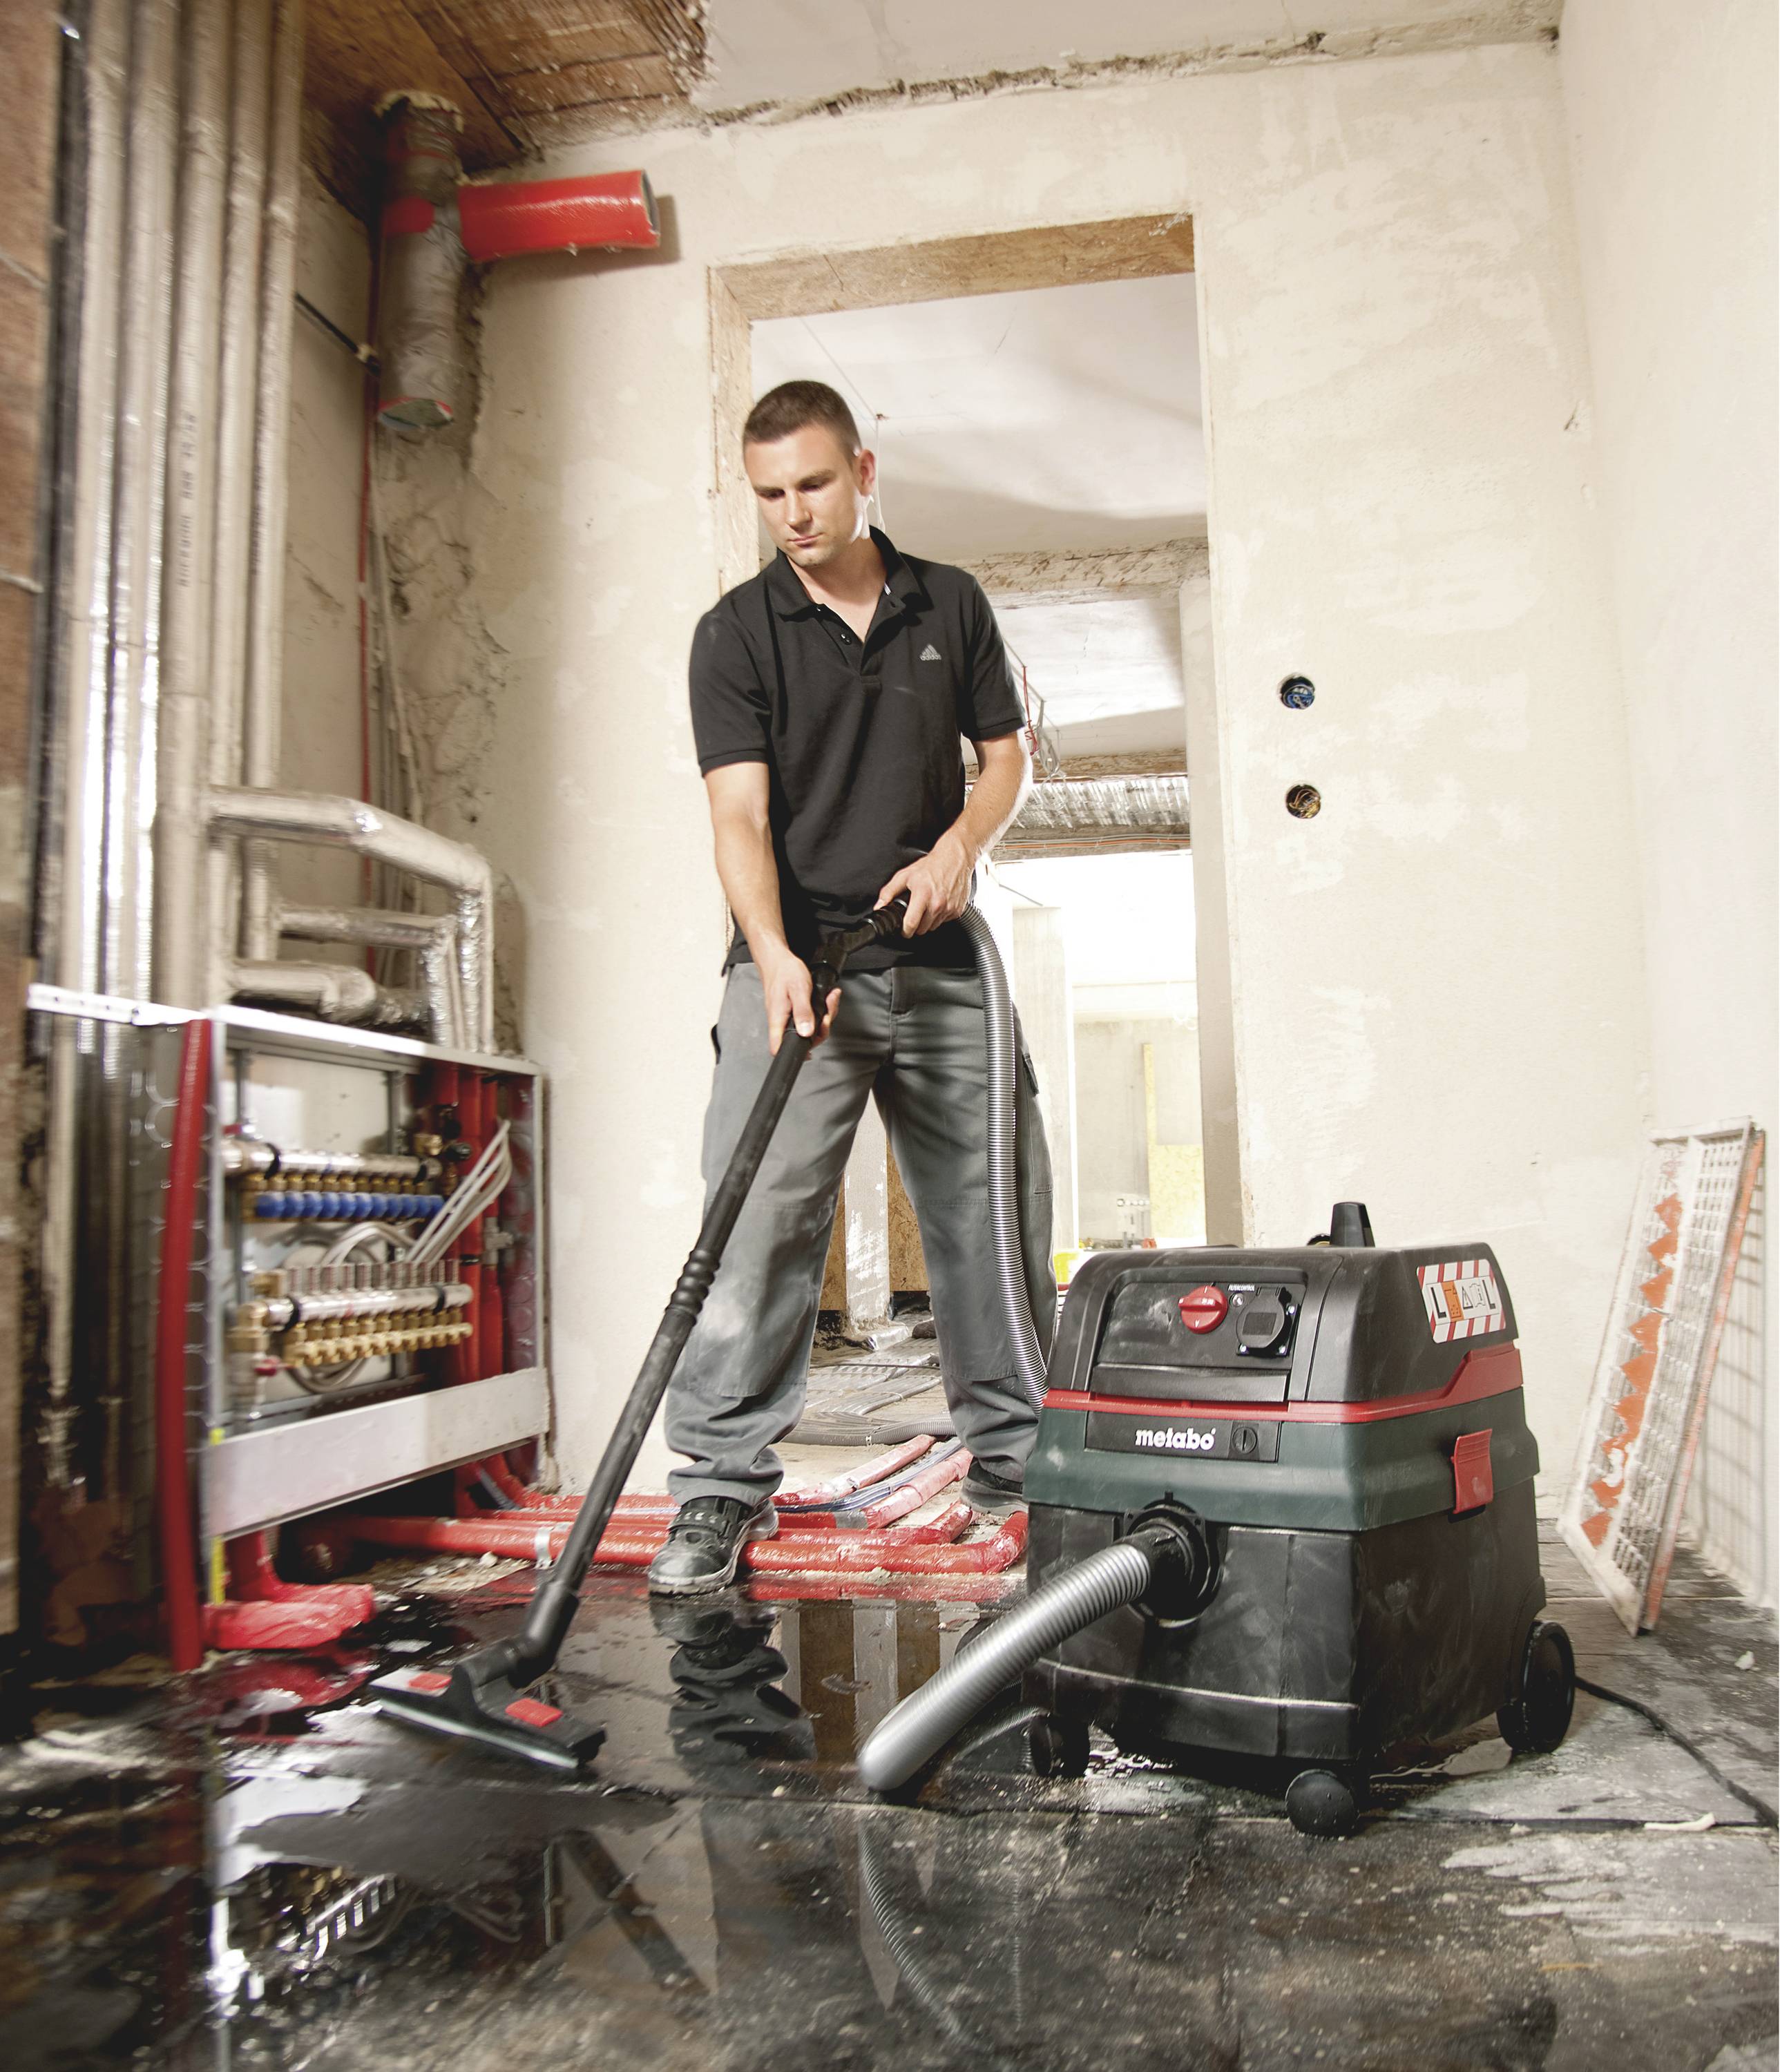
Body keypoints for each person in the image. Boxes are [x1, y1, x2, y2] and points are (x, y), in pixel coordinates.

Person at [649, 378, 1055, 1595]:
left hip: (937, 959)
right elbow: (738, 814)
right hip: (798, 967)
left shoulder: (951, 602)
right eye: (769, 493)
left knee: (992, 1218)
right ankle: (719, 1492)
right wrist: (769, 953)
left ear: (864, 471)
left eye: (813, 485)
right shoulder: (735, 632)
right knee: (758, 1227)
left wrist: (956, 852)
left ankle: (1023, 1470)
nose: (792, 513)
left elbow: (1004, 764)